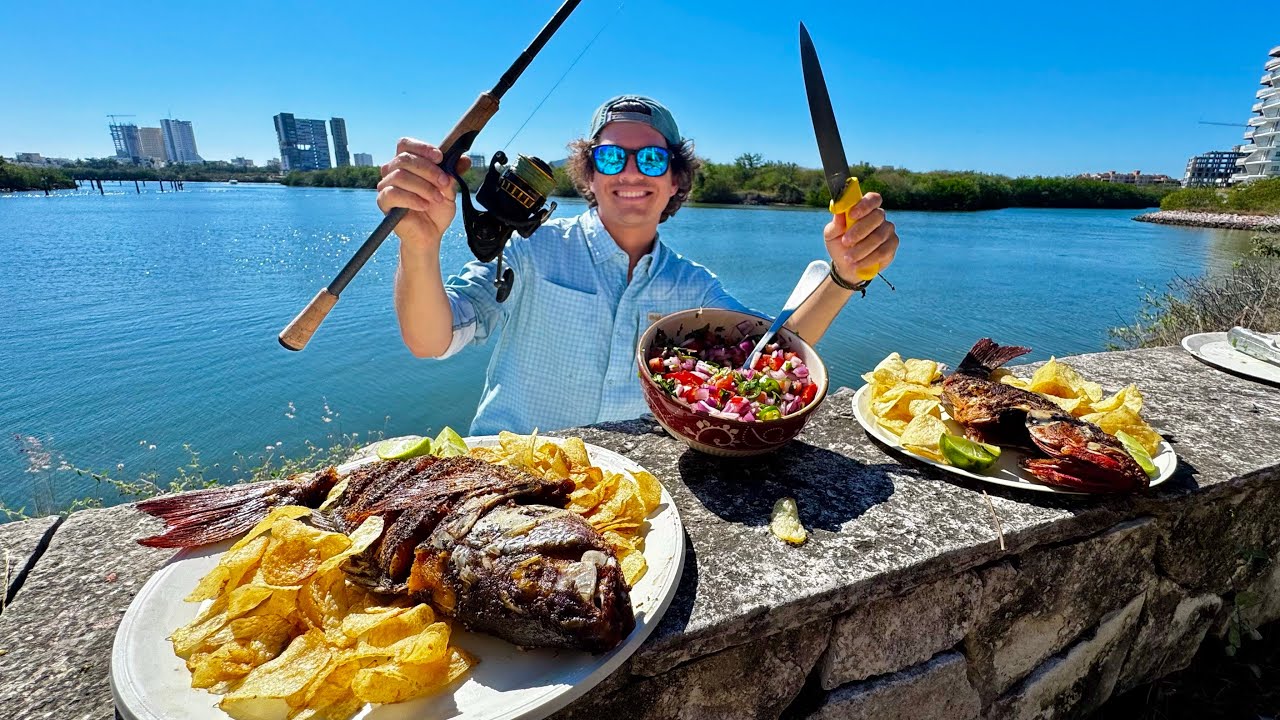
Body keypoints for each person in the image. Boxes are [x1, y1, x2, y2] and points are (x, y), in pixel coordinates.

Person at [378, 95, 899, 435]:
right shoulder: (529, 250)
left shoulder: (694, 288)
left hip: (622, 496)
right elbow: (433, 339)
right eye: (610, 157)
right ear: (589, 175)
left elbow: (770, 351)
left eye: (651, 159)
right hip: (505, 480)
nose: (631, 171)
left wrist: (844, 276)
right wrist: (419, 246)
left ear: (675, 182)